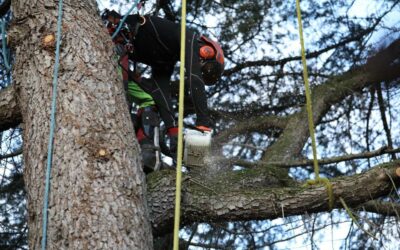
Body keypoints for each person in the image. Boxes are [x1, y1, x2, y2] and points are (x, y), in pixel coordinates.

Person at [102, 8, 224, 160]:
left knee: (150, 99)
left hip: (114, 60)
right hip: (111, 42)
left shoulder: (166, 59)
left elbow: (161, 94)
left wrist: (174, 133)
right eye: (205, 68)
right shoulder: (189, 37)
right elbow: (195, 79)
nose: (199, 68)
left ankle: (146, 151)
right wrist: (203, 124)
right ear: (207, 51)